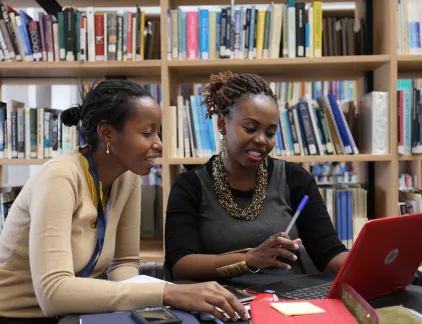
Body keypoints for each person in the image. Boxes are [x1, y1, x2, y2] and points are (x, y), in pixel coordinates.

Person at [0, 79, 248, 324]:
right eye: (147, 133)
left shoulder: (127, 176)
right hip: (19, 316)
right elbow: (53, 293)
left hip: (76, 312)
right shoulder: (59, 178)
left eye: (158, 132)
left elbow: (125, 263)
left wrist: (150, 310)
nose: (159, 144)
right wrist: (168, 293)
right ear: (107, 133)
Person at [165, 72, 349, 281]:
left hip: (286, 302)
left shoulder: (295, 179)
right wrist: (249, 259)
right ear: (223, 124)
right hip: (221, 302)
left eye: (270, 133)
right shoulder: (190, 185)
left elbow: (329, 254)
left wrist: (369, 263)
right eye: (250, 128)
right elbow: (180, 264)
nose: (262, 140)